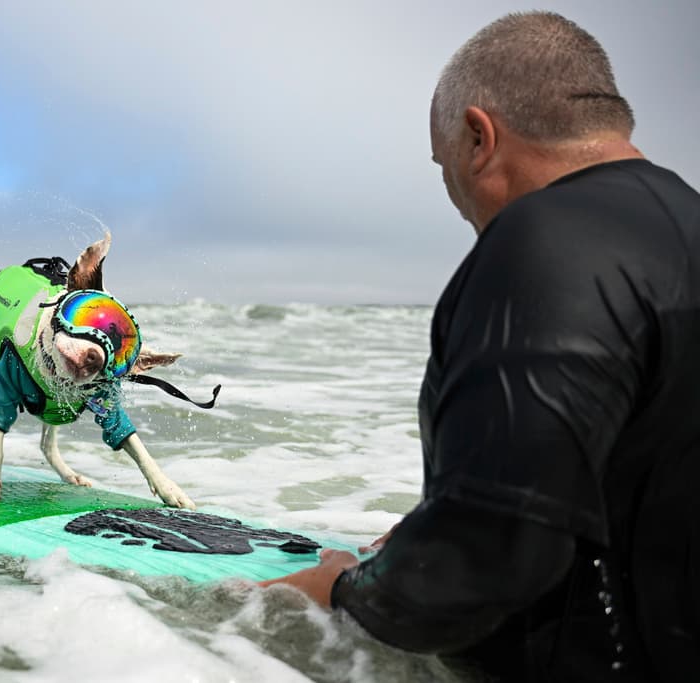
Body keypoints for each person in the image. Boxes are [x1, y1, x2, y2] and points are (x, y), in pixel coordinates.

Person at [261, 11, 700, 682]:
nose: (457, 200)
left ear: (478, 138)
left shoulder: (544, 243)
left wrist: (343, 587)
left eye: (445, 168)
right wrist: (435, 524)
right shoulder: (681, 227)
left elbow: (487, 557)